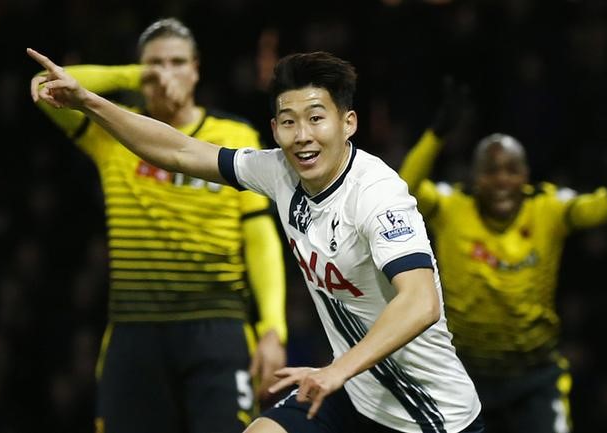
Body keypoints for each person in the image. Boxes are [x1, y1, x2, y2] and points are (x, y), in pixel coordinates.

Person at [28, 47, 485, 433]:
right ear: (275, 129)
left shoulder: (377, 194)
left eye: (316, 118)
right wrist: (90, 102)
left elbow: (421, 302)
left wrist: (335, 370)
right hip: (356, 391)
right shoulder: (280, 171)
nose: (302, 135)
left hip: (428, 412)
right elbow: (180, 149)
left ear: (348, 123)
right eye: (288, 121)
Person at [30, 18, 287, 433]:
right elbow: (44, 85)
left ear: (197, 68)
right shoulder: (112, 130)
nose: (166, 73)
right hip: (135, 326)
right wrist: (135, 76)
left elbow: (260, 237)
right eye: (155, 64)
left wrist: (273, 326)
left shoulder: (233, 135)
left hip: (218, 323)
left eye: (177, 62)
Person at [398, 97, 607, 433]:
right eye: (490, 170)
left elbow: (594, 209)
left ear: (526, 176)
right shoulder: (451, 207)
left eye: (511, 170)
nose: (501, 180)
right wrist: (436, 135)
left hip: (533, 375)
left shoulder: (548, 209)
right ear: (475, 177)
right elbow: (406, 188)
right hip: (462, 371)